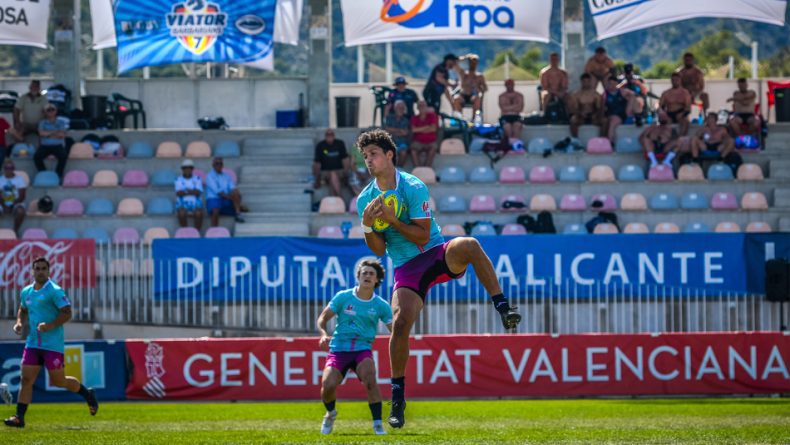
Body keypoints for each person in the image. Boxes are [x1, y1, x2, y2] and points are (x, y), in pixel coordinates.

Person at [355, 129, 521, 429]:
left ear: (389, 154)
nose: (368, 160)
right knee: (401, 322)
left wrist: (392, 221)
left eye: (373, 154)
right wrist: (368, 227)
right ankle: (397, 398)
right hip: (407, 267)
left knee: (469, 244)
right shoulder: (366, 199)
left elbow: (421, 233)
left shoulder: (412, 185)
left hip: (435, 253)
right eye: (365, 156)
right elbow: (379, 249)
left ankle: (503, 307)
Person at [4, 257, 99, 428]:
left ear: (48, 271)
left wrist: (50, 325)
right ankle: (19, 417)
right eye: (37, 268)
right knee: (26, 380)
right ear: (32, 271)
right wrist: (19, 322)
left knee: (59, 381)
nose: (40, 271)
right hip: (33, 343)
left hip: (52, 345)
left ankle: (87, 394)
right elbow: (22, 309)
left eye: (43, 268)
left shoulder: (55, 291)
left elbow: (67, 313)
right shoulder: (26, 291)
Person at [316, 259, 393, 436]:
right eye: (364, 273)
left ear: (376, 280)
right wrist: (322, 333)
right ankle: (330, 413)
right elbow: (322, 318)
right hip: (338, 349)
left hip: (362, 349)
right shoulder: (343, 297)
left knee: (370, 380)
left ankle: (377, 424)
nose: (367, 275)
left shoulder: (381, 305)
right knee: (327, 385)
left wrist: (400, 338)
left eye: (371, 274)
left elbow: (394, 330)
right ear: (358, 277)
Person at [206, 157, 244, 226]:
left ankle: (238, 214)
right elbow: (217, 191)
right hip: (214, 199)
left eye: (220, 163)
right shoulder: (209, 176)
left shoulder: (227, 176)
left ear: (223, 165)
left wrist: (236, 193)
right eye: (217, 163)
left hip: (225, 199)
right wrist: (229, 197)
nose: (219, 165)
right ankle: (214, 231)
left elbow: (232, 187)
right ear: (213, 165)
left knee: (236, 193)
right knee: (215, 210)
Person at [35, 103, 69, 180]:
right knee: (36, 157)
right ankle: (43, 173)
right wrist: (55, 132)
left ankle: (58, 175)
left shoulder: (61, 122)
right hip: (45, 146)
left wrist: (48, 133)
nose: (51, 111)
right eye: (48, 110)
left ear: (56, 111)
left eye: (52, 110)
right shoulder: (42, 122)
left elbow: (62, 135)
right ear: (45, 112)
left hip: (57, 145)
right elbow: (41, 133)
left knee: (63, 156)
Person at [312, 129, 350, 199]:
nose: (329, 136)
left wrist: (346, 174)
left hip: (339, 171)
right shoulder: (320, 145)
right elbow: (317, 163)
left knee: (332, 179)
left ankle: (334, 202)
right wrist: (317, 179)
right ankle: (340, 198)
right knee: (332, 174)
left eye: (331, 134)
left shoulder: (340, 143)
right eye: (327, 135)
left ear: (334, 135)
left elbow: (345, 159)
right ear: (325, 136)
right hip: (324, 172)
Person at [452, 54, 488, 120]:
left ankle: (473, 120)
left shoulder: (479, 76)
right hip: (463, 95)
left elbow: (485, 88)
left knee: (477, 98)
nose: (473, 64)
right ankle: (460, 119)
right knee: (456, 99)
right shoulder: (463, 73)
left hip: (473, 96)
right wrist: (464, 57)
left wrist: (479, 89)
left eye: (475, 62)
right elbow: (454, 64)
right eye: (471, 62)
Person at [569, 73, 603, 139]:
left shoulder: (596, 94)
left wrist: (595, 115)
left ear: (590, 82)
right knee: (573, 120)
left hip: (593, 117)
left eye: (588, 81)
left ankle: (601, 139)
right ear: (581, 82)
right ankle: (575, 140)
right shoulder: (576, 94)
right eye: (584, 81)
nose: (586, 83)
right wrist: (580, 113)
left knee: (604, 121)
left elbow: (599, 108)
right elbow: (574, 109)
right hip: (581, 117)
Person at [601, 76, 635, 142]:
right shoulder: (605, 95)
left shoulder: (623, 92)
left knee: (613, 122)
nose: (612, 86)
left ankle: (610, 142)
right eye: (610, 84)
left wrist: (629, 108)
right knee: (609, 122)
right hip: (611, 114)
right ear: (607, 84)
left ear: (617, 84)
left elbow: (634, 95)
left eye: (614, 84)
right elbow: (602, 108)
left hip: (622, 114)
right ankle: (607, 141)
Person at [175, 159, 204, 231]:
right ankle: (186, 232)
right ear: (182, 169)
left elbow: (198, 192)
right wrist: (192, 191)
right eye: (185, 168)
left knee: (198, 214)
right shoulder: (178, 179)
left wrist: (185, 191)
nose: (187, 170)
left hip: (196, 203)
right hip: (182, 203)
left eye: (189, 168)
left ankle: (197, 233)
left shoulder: (197, 178)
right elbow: (178, 193)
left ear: (192, 169)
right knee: (181, 213)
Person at [677, 52, 709, 117]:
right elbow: (678, 86)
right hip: (684, 94)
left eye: (689, 60)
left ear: (692, 60)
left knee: (705, 96)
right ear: (684, 60)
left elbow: (702, 86)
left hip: (696, 94)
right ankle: (681, 116)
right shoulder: (680, 72)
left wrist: (695, 92)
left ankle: (705, 116)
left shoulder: (698, 72)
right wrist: (686, 93)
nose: (688, 62)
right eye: (686, 60)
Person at [409, 101, 439, 168]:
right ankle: (418, 169)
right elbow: (414, 130)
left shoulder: (432, 116)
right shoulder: (414, 118)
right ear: (417, 108)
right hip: (418, 141)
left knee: (433, 148)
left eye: (423, 106)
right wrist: (427, 127)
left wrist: (419, 129)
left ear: (426, 107)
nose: (422, 107)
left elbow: (433, 129)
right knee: (413, 150)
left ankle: (427, 168)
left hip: (431, 141)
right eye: (420, 106)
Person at [1, 159, 26, 234]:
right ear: (4, 169)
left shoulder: (19, 179)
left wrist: (11, 205)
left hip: (16, 202)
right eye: (6, 168)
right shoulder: (0, 180)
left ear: (13, 169)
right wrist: (4, 205)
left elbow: (22, 196)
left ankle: (15, 231)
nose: (9, 170)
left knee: (20, 212)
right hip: (2, 202)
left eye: (11, 168)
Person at [384, 101, 411, 167]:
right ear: (395, 108)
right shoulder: (389, 117)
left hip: (401, 142)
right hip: (390, 142)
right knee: (391, 152)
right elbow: (386, 129)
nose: (400, 109)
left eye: (402, 108)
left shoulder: (406, 120)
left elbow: (405, 133)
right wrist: (399, 130)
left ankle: (399, 168)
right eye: (399, 107)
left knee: (403, 152)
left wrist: (392, 130)